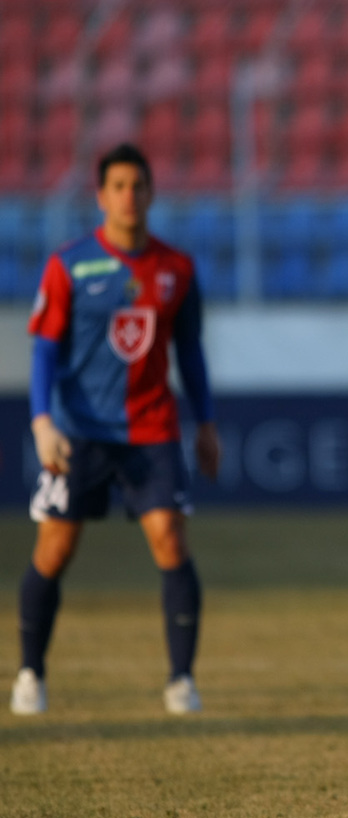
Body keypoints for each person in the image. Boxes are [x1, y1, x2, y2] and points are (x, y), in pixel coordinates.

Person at [12, 143, 219, 716]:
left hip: (151, 427)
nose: (130, 196)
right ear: (102, 196)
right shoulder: (69, 265)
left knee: (170, 537)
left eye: (138, 185)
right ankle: (30, 672)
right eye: (119, 186)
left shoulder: (176, 269)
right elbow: (44, 349)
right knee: (55, 549)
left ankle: (181, 680)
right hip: (79, 431)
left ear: (151, 193)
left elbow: (190, 351)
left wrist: (206, 422)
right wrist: (42, 422)